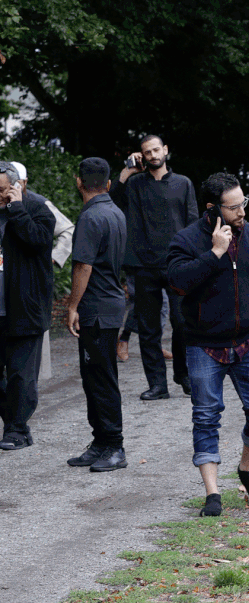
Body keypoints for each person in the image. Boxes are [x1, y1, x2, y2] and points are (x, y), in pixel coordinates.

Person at [166, 172, 249, 517]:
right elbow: (176, 283)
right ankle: (212, 494)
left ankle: (245, 469)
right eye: (233, 208)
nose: (241, 212)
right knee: (206, 416)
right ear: (211, 209)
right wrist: (215, 252)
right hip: (203, 344)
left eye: (243, 204)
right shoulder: (186, 240)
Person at [111, 134, 197, 400]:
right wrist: (127, 170)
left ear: (166, 150)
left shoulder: (183, 183)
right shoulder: (135, 183)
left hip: (176, 262)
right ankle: (157, 384)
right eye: (147, 152)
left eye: (156, 150)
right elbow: (112, 198)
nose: (152, 155)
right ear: (142, 155)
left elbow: (192, 220)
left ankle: (183, 375)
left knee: (182, 323)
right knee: (149, 329)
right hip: (143, 264)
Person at [65, 158, 128, 471]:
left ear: (79, 182)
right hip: (109, 304)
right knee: (95, 377)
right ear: (107, 183)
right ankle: (101, 442)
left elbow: (83, 265)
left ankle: (115, 445)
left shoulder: (91, 217)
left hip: (97, 309)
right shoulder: (115, 211)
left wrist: (73, 305)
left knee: (101, 378)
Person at [0, 161, 56, 451]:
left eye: (0, 191)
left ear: (16, 186)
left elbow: (39, 241)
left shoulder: (35, 208)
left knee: (22, 376)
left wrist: (16, 210)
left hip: (24, 307)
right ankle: (13, 421)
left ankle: (17, 430)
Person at [10, 161, 74, 381]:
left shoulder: (38, 204)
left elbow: (67, 230)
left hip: (32, 283)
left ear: (24, 183)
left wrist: (53, 259)